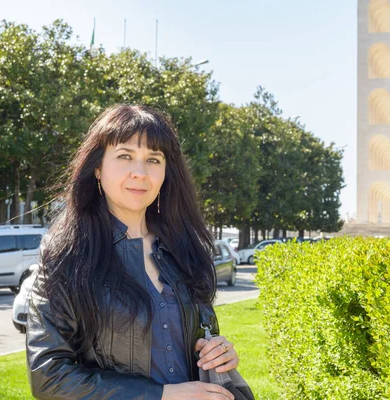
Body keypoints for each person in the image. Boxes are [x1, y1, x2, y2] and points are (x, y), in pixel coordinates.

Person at [26, 104, 240, 399]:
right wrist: (163, 395)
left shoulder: (184, 249)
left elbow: (193, 339)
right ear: (98, 167)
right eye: (125, 156)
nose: (140, 172)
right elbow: (48, 377)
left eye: (153, 159)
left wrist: (219, 351)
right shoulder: (66, 255)